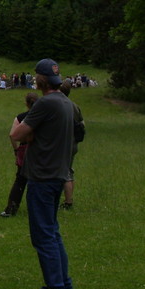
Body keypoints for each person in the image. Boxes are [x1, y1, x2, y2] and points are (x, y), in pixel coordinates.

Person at [11, 59, 75, 289]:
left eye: (36, 76)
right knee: (53, 232)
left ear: (41, 80)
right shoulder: (65, 102)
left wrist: (31, 133)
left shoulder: (45, 103)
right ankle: (64, 285)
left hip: (42, 175)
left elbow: (16, 135)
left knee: (43, 236)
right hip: (58, 173)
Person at [0, 92, 37, 217]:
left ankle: (11, 208)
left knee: (20, 179)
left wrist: (16, 150)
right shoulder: (43, 116)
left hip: (24, 148)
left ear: (26, 104)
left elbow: (12, 135)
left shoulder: (21, 117)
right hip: (40, 149)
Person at [59, 81, 86, 210]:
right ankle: (67, 200)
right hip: (73, 143)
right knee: (68, 170)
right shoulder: (75, 106)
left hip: (61, 143)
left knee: (64, 172)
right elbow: (82, 124)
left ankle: (68, 201)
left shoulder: (59, 105)